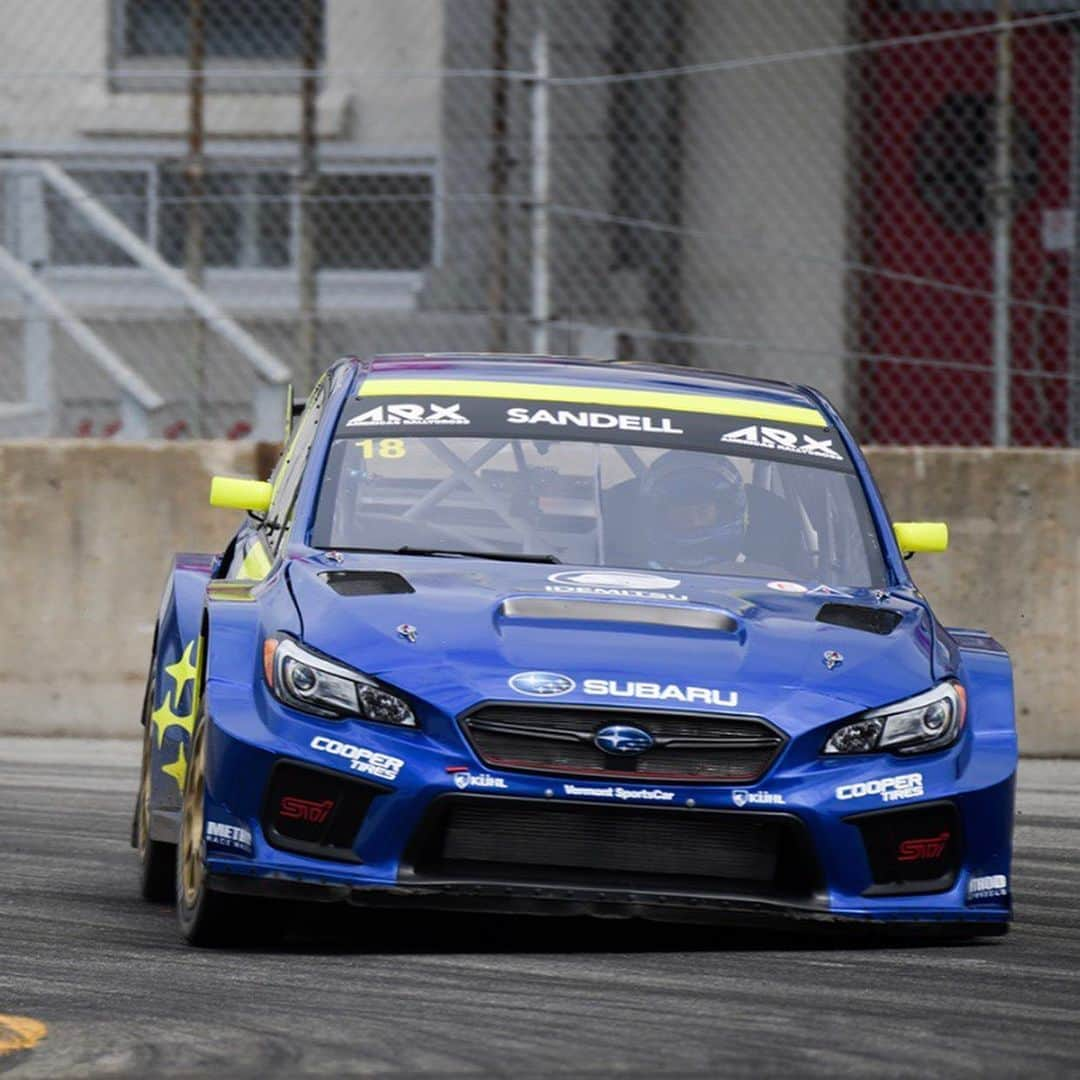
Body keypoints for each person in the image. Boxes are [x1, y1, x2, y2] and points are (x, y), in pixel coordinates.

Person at [637, 450, 748, 571]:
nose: (694, 521)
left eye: (703, 512)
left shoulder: (755, 573)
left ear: (726, 512)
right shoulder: (631, 574)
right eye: (682, 514)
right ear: (660, 516)